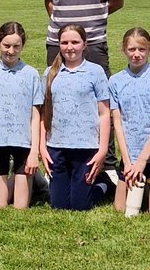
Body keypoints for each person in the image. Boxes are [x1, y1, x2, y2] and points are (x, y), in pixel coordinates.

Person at [40, 24, 111, 211]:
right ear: (58, 45)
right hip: (57, 146)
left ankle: (104, 185)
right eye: (64, 42)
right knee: (59, 205)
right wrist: (42, 147)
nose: (69, 47)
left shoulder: (95, 72)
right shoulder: (50, 73)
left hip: (85, 147)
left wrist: (102, 149)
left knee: (81, 206)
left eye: (75, 42)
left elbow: (104, 113)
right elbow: (43, 114)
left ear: (84, 44)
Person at [109, 28, 150, 216]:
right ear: (123, 50)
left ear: (149, 49)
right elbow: (118, 123)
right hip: (131, 156)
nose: (136, 54)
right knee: (121, 209)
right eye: (131, 49)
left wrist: (142, 161)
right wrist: (128, 162)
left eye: (141, 49)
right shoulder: (115, 81)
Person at [0, 21, 43, 210]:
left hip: (23, 141)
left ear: (23, 46)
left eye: (16, 46)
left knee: (20, 207)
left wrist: (34, 152)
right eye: (6, 45)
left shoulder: (31, 74)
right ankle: (17, 179)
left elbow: (35, 114)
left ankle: (26, 177)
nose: (11, 51)